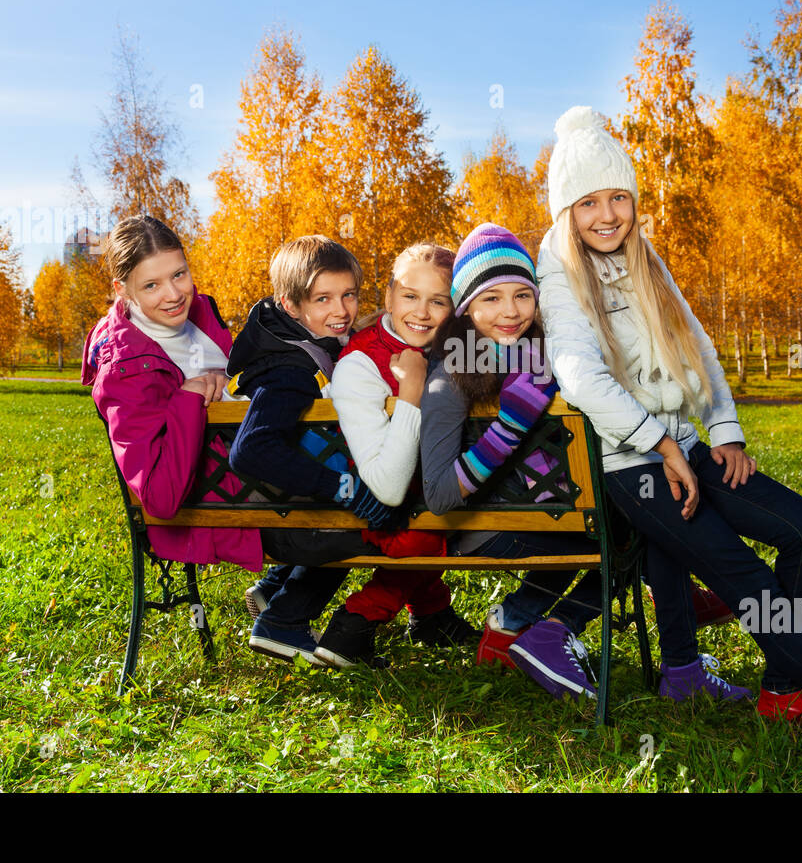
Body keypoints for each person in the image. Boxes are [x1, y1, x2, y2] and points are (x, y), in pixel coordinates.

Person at [537, 106, 802, 759]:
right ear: (566, 212)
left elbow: (699, 348)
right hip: (632, 467)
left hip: (683, 448)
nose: (607, 214)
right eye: (588, 202)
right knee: (750, 584)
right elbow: (578, 375)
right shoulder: (558, 270)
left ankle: (784, 691)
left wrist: (724, 431)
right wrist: (660, 446)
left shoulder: (643, 256)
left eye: (619, 197)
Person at [419, 223, 603, 700]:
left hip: (548, 512)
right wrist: (508, 428)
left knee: (633, 524)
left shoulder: (544, 358)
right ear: (465, 309)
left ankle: (517, 625)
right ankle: (550, 628)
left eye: (523, 295)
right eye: (491, 299)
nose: (511, 311)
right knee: (635, 535)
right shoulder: (449, 378)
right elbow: (438, 496)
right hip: (486, 529)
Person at [226, 235, 401, 664]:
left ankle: (272, 590)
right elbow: (251, 450)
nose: (340, 311)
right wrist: (341, 487)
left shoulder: (292, 345)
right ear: (291, 305)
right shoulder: (291, 370)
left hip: (271, 505)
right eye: (323, 299)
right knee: (368, 516)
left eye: (349, 296)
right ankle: (283, 622)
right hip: (272, 512)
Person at [313, 243, 480, 667]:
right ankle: (357, 619)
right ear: (388, 297)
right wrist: (412, 393)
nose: (422, 313)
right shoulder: (361, 365)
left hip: (425, 494)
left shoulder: (457, 349)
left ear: (455, 309)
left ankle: (432, 614)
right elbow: (386, 487)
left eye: (438, 301)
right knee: (438, 518)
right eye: (410, 296)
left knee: (445, 502)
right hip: (374, 506)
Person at [82, 215, 261, 574]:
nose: (174, 294)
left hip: (261, 469)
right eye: (151, 285)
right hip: (228, 508)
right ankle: (288, 614)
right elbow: (160, 497)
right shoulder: (126, 370)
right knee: (380, 512)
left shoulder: (201, 313)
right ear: (122, 290)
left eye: (179, 274)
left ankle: (282, 612)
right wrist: (189, 398)